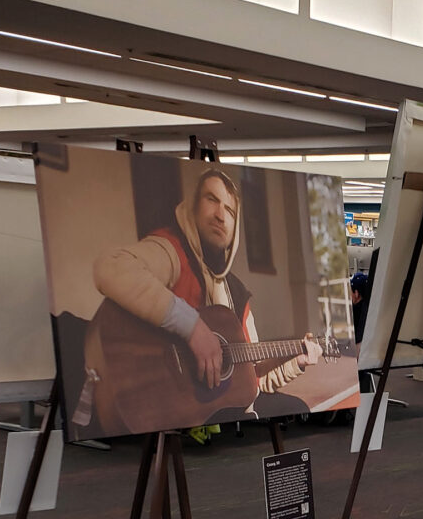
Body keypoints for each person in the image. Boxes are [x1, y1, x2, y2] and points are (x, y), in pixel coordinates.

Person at [93, 167, 322, 407]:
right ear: (193, 206)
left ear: (235, 226)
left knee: (294, 406)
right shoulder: (171, 252)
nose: (220, 215)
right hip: (171, 406)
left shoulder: (237, 294)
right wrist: (192, 327)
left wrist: (297, 361)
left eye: (230, 211)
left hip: (221, 406)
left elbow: (253, 378)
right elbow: (111, 267)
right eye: (212, 199)